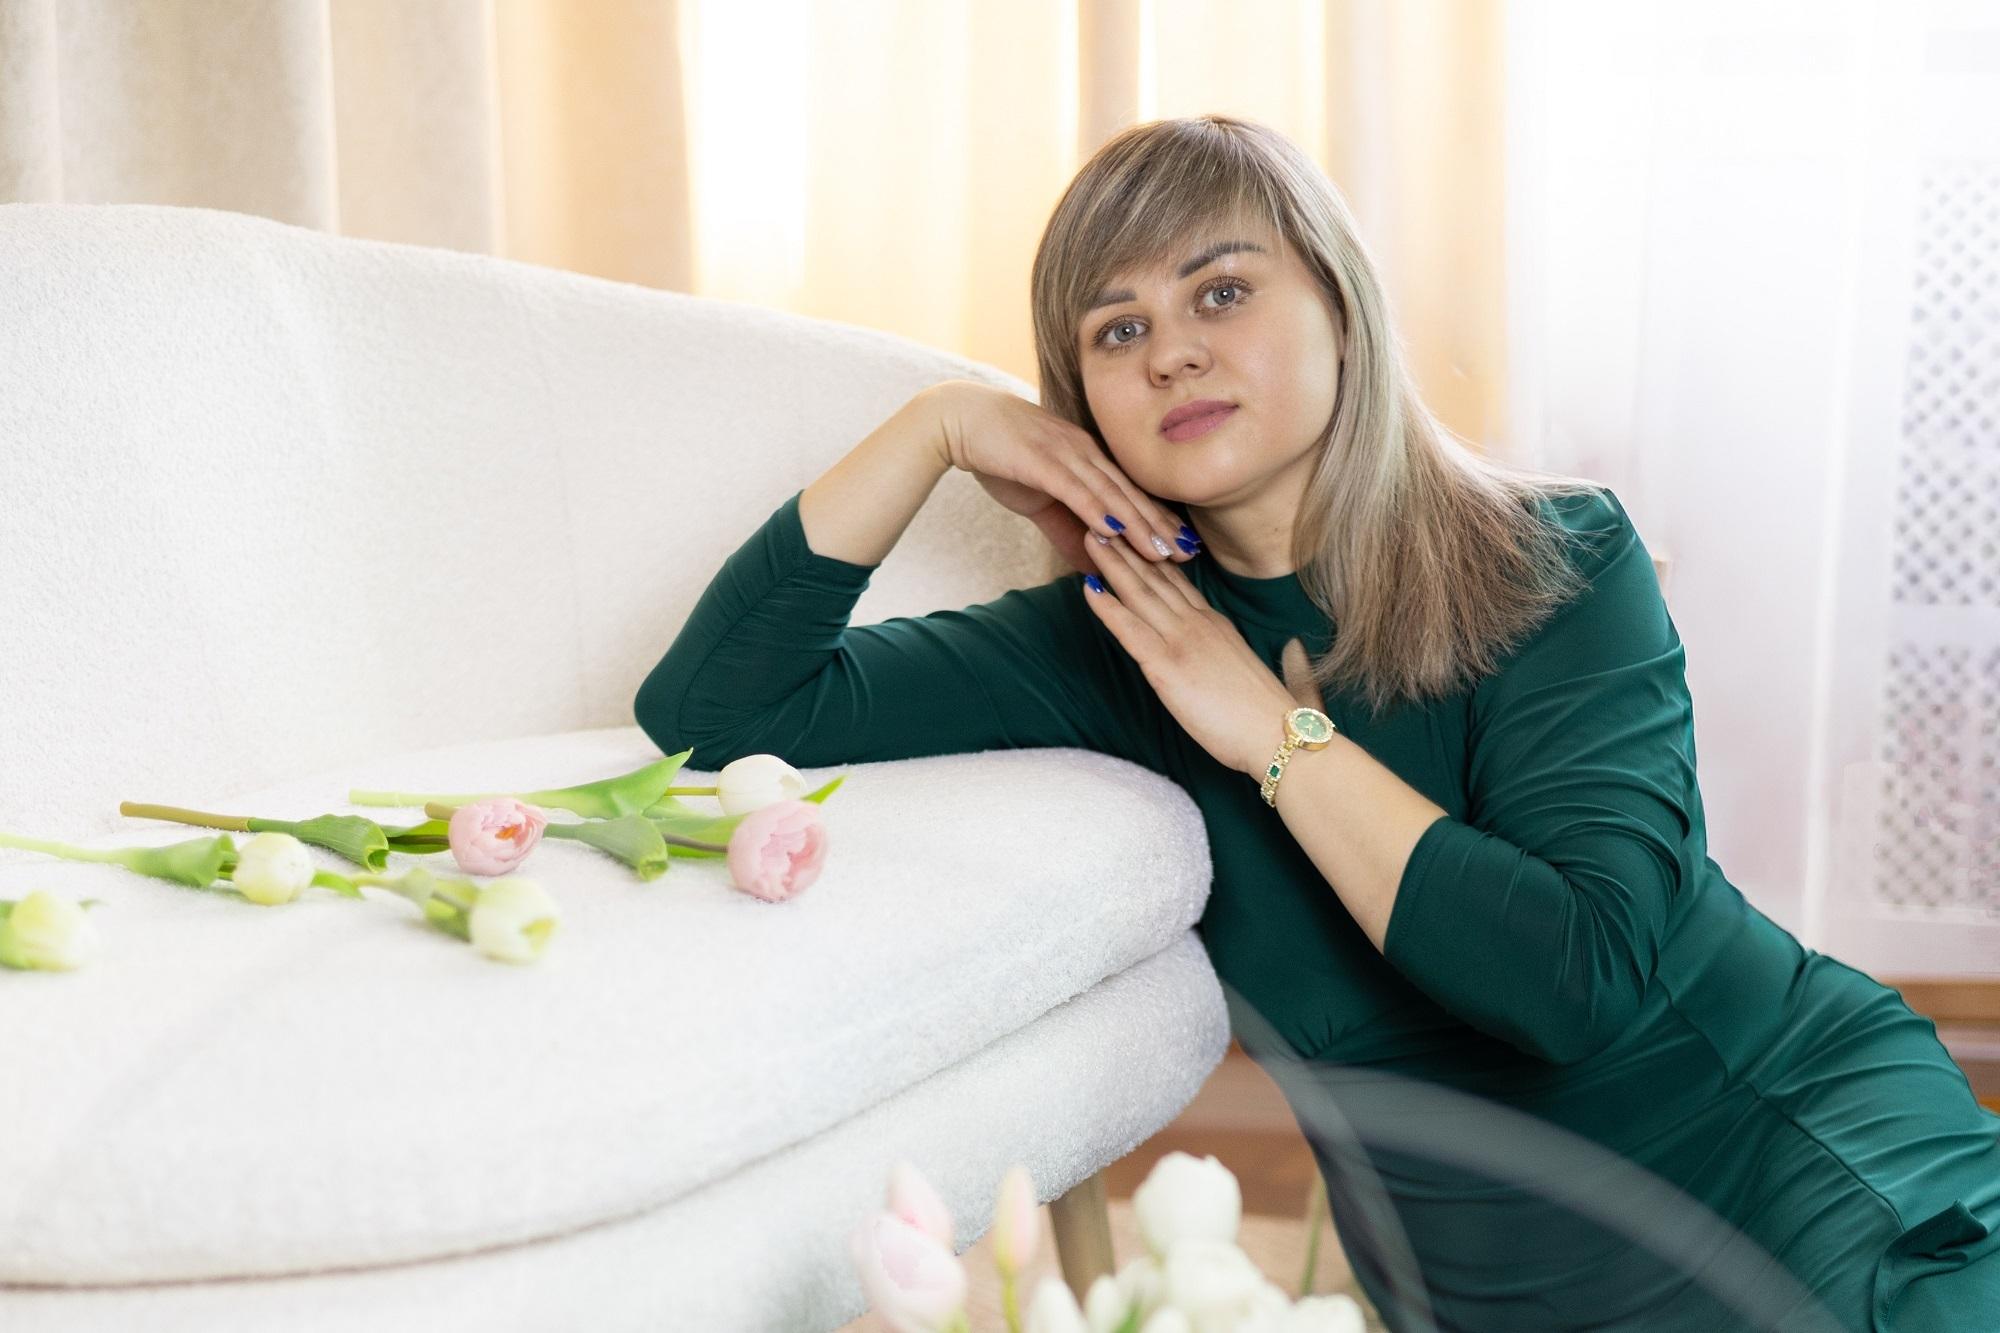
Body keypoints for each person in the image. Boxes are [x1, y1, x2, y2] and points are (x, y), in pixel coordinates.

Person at [634, 115, 2000, 1330]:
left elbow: (1571, 981)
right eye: (1116, 331)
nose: (1173, 350)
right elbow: (714, 710)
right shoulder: (1110, 645)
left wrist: (1272, 736)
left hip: (1804, 1181)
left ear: (1342, 311)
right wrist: (934, 428)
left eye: (1221, 291)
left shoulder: (1555, 561)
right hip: (1491, 1290)